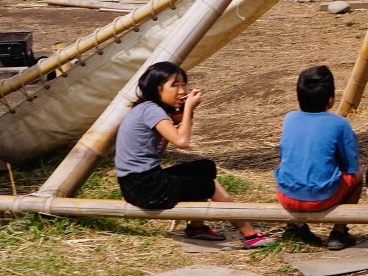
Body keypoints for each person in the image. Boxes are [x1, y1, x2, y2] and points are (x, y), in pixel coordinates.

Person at [115, 61, 275, 248]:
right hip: (144, 187)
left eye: (183, 84)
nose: (182, 91)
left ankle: (196, 226)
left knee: (204, 167)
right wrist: (189, 108)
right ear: (157, 88)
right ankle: (250, 235)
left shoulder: (146, 109)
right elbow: (182, 142)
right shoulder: (152, 110)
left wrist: (181, 118)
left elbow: (158, 150)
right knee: (208, 186)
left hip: (138, 183)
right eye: (175, 85)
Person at [274, 65, 361, 248]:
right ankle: (339, 232)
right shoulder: (340, 124)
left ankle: (296, 226)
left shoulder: (289, 118)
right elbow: (351, 166)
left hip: (286, 195)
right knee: (358, 178)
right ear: (331, 100)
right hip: (321, 198)